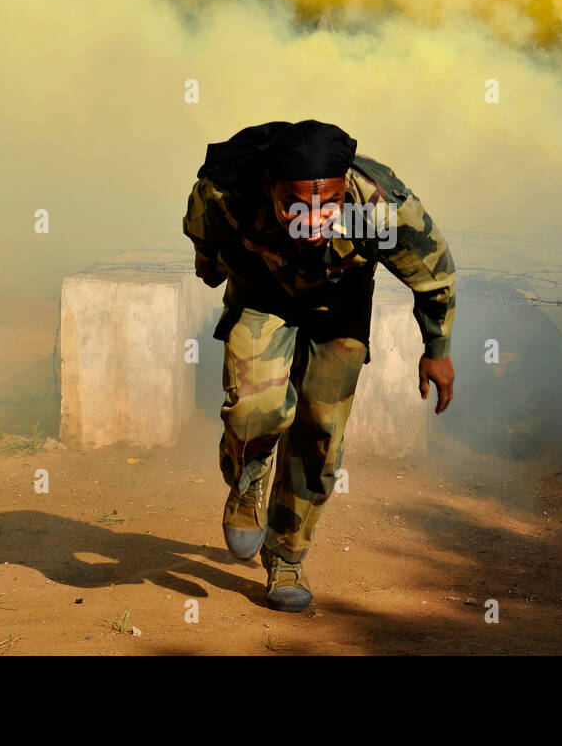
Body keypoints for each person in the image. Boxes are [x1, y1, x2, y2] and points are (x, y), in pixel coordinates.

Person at [182, 120, 456, 612]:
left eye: (327, 204)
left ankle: (286, 556)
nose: (312, 218)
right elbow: (202, 226)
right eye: (296, 204)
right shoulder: (232, 190)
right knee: (254, 409)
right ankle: (245, 489)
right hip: (262, 296)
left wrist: (436, 349)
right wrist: (209, 262)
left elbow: (433, 274)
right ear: (270, 185)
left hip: (341, 308)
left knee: (320, 438)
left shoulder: (380, 205)